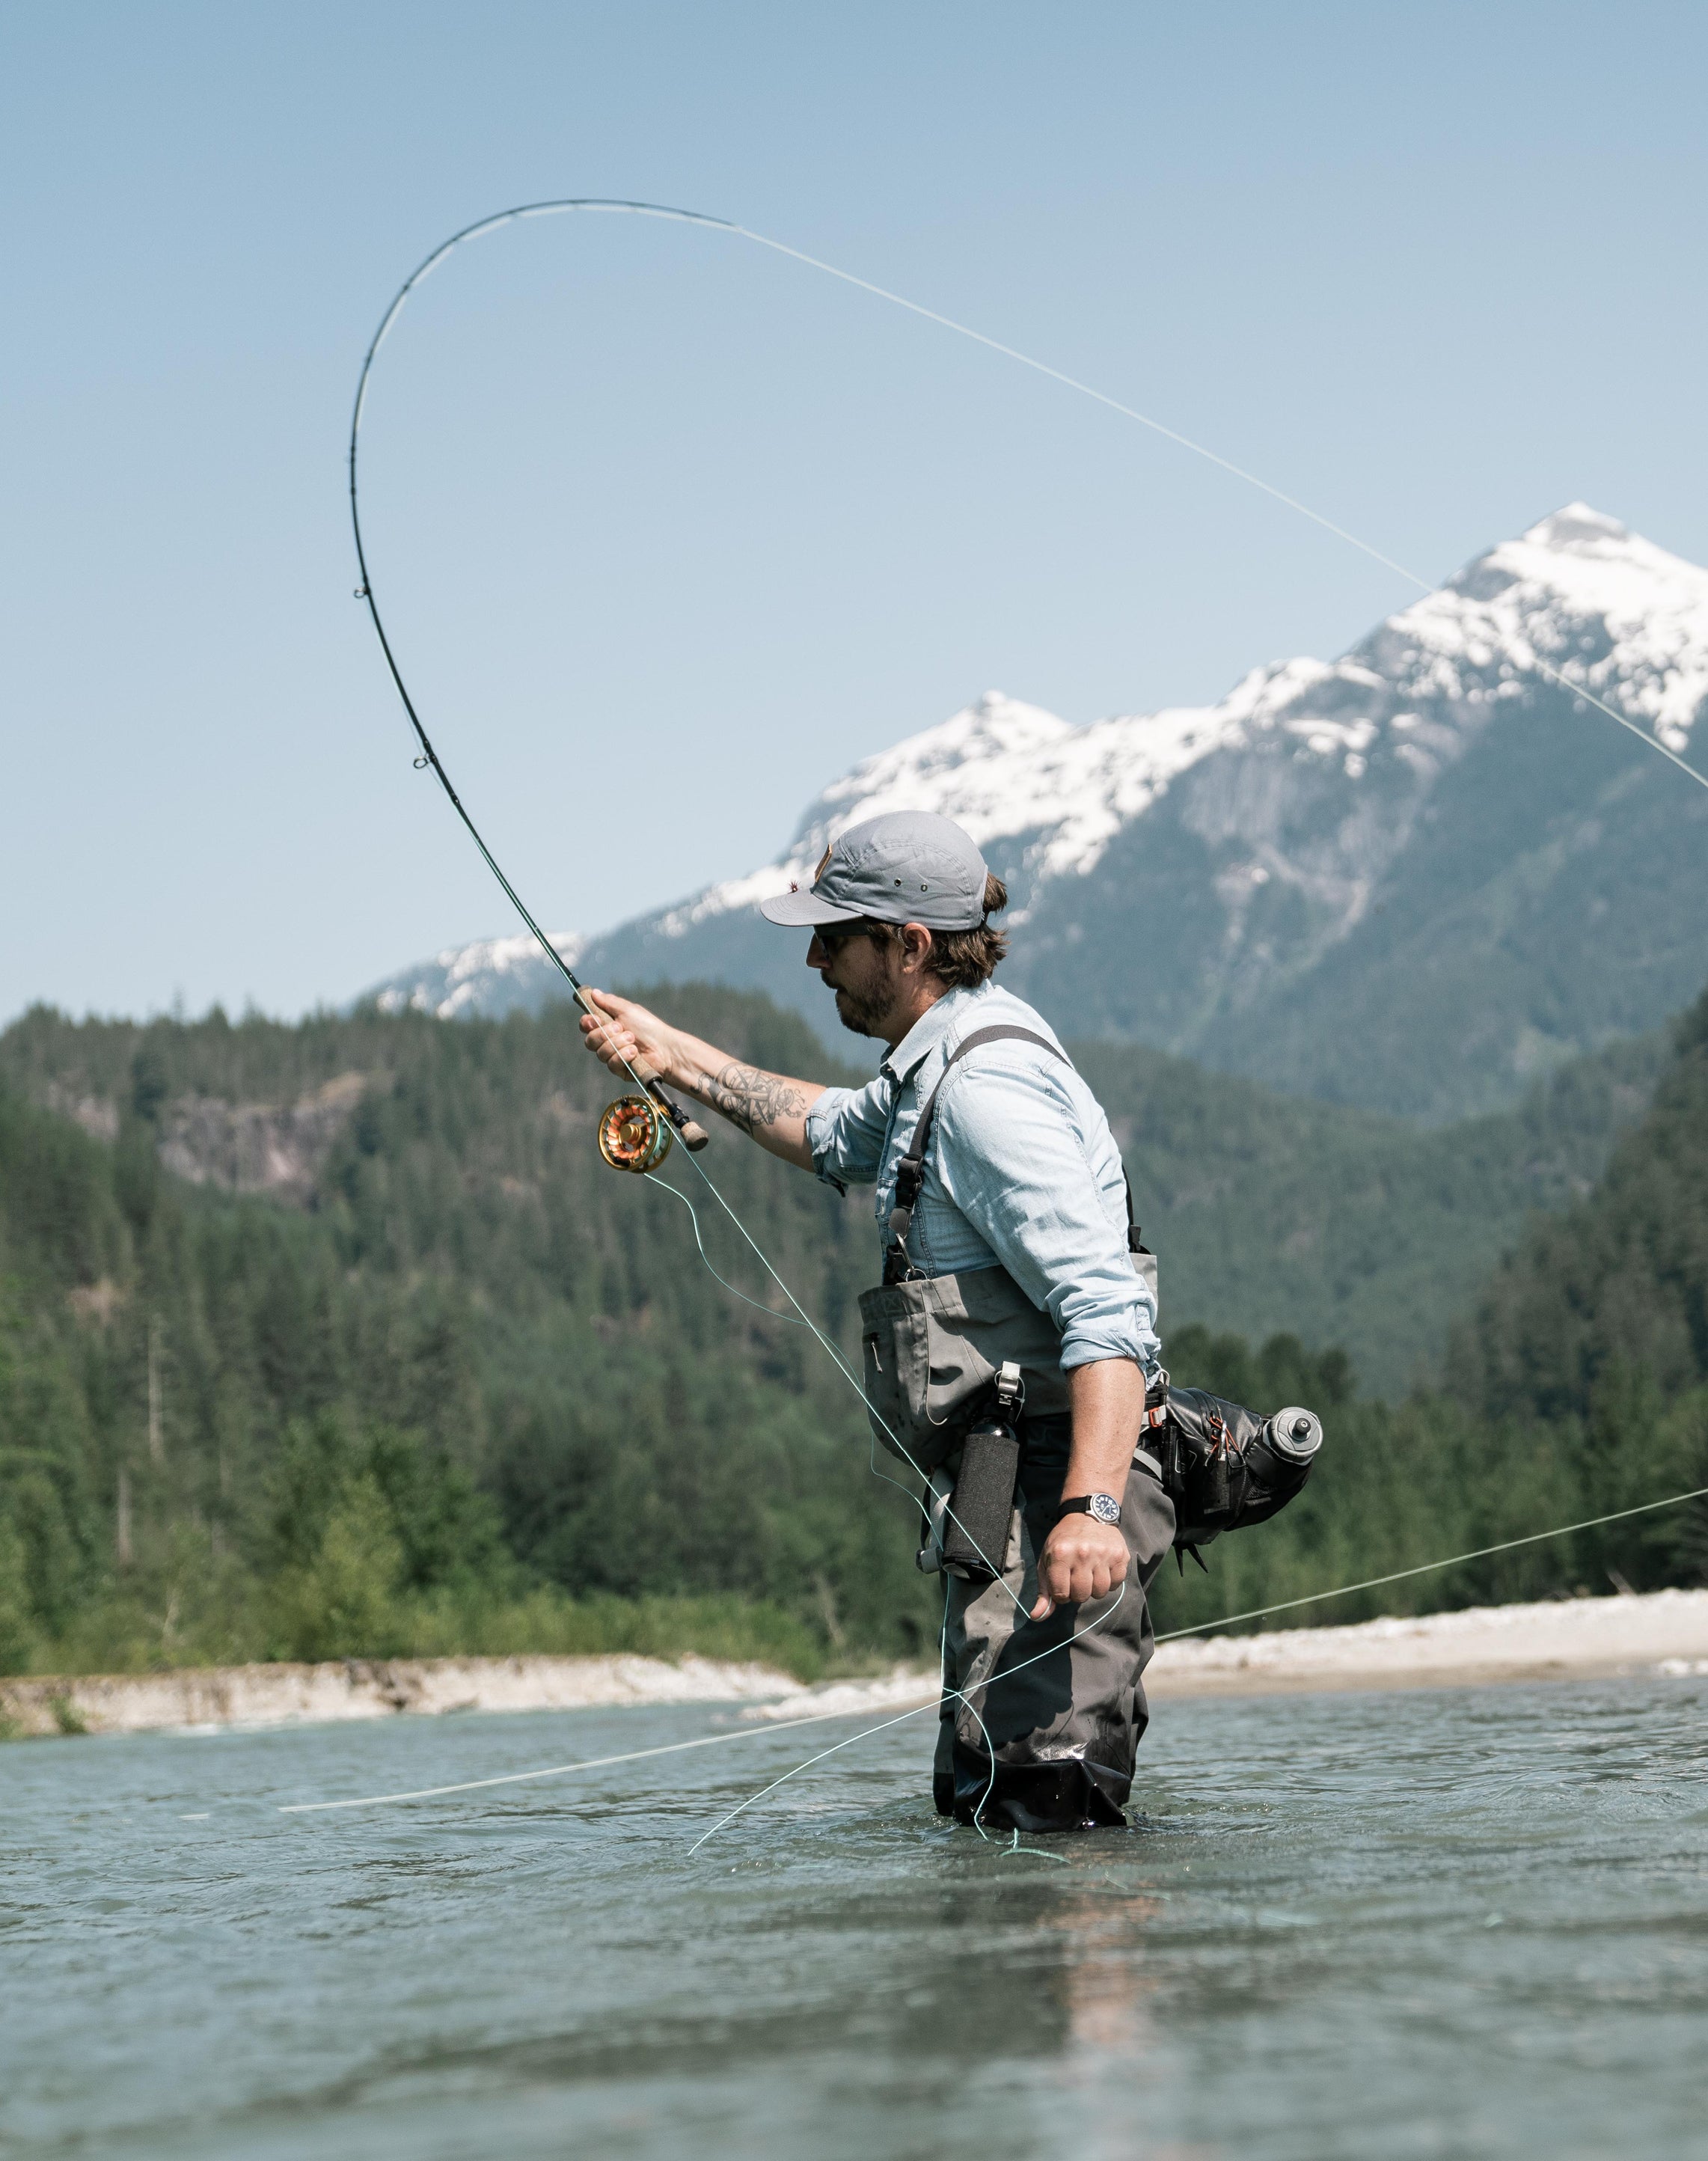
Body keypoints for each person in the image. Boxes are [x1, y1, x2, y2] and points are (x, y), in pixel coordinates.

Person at [578, 810, 1173, 1832]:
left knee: (1052, 1820)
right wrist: (670, 1056)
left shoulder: (987, 1090)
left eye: (834, 937)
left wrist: (1094, 1510)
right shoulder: (931, 1068)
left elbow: (1109, 1313)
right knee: (987, 1813)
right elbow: (833, 1134)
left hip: (1058, 1502)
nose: (814, 960)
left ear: (907, 944)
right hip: (1006, 1500)